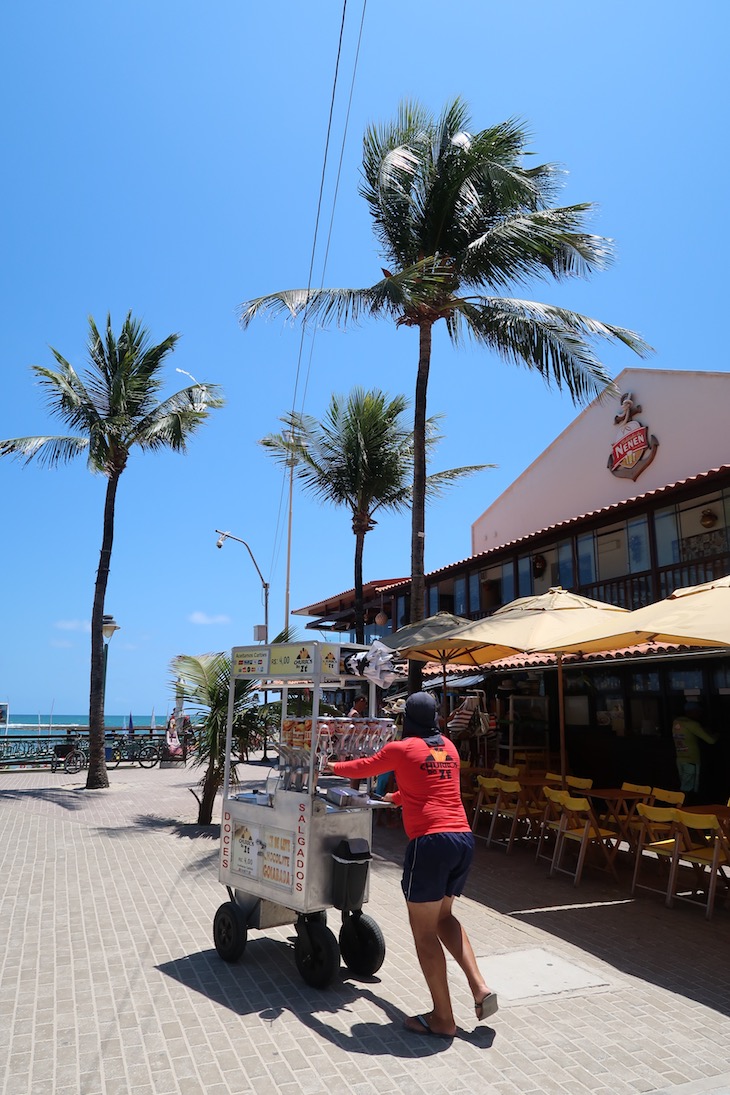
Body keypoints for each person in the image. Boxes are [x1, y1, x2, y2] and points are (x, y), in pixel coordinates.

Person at [324, 691, 496, 1038]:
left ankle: (443, 1019)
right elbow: (434, 785)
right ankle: (479, 987)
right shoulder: (447, 747)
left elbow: (361, 767)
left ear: (408, 720)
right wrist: (396, 798)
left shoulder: (400, 749)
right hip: (462, 838)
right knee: (444, 917)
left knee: (424, 933)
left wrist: (326, 766)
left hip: (430, 843)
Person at [671, 703, 718, 795]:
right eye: (698, 712)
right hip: (691, 760)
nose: (699, 714)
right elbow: (711, 740)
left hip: (680, 758)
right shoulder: (693, 724)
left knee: (684, 785)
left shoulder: (676, 722)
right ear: (693, 712)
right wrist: (717, 734)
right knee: (690, 789)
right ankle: (686, 807)